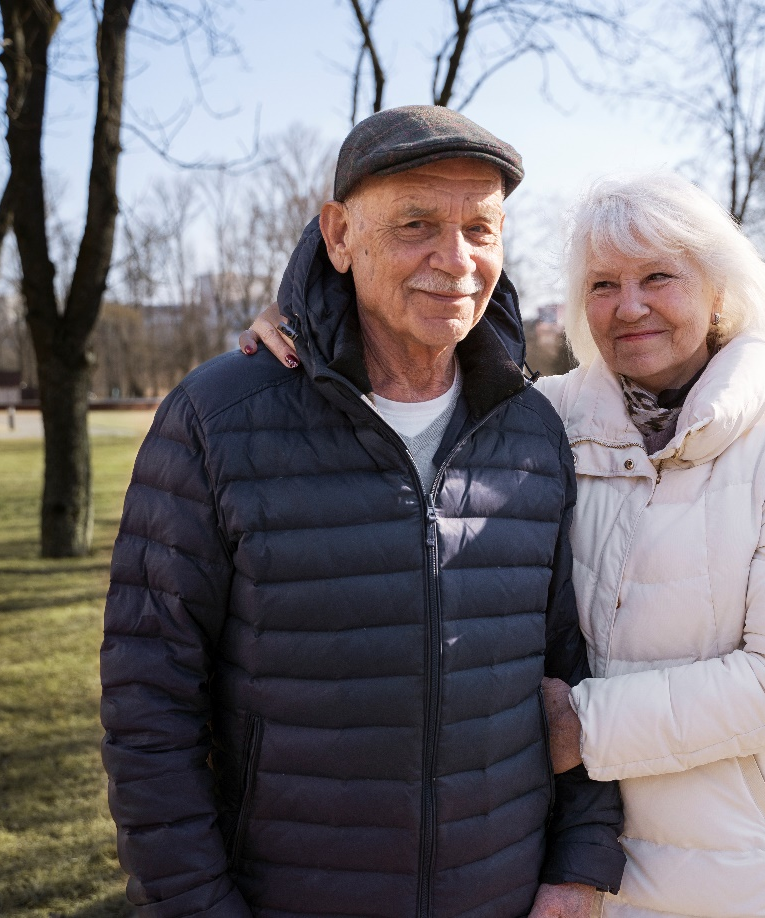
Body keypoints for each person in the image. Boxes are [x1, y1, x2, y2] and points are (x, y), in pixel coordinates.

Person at [247, 171, 765, 917]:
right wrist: (308, 321)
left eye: (658, 277)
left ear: (718, 292)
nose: (628, 306)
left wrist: (582, 725)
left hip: (749, 866)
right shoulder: (540, 418)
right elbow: (399, 368)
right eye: (602, 284)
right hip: (574, 865)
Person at [100, 106, 625, 918]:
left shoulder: (532, 428)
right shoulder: (218, 418)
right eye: (416, 222)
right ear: (339, 235)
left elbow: (570, 667)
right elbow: (148, 706)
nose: (455, 260)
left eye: (480, 229)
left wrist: (579, 866)